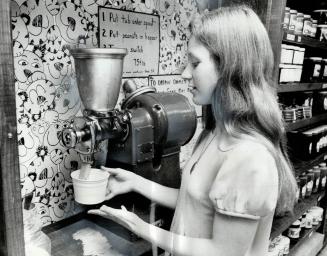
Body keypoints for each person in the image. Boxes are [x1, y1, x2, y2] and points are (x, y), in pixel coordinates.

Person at [89, 5, 297, 256]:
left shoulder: (249, 156)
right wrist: (135, 182)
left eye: (195, 63)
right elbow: (195, 202)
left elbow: (222, 252)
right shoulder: (214, 134)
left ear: (229, 67)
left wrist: (139, 226)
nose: (185, 73)